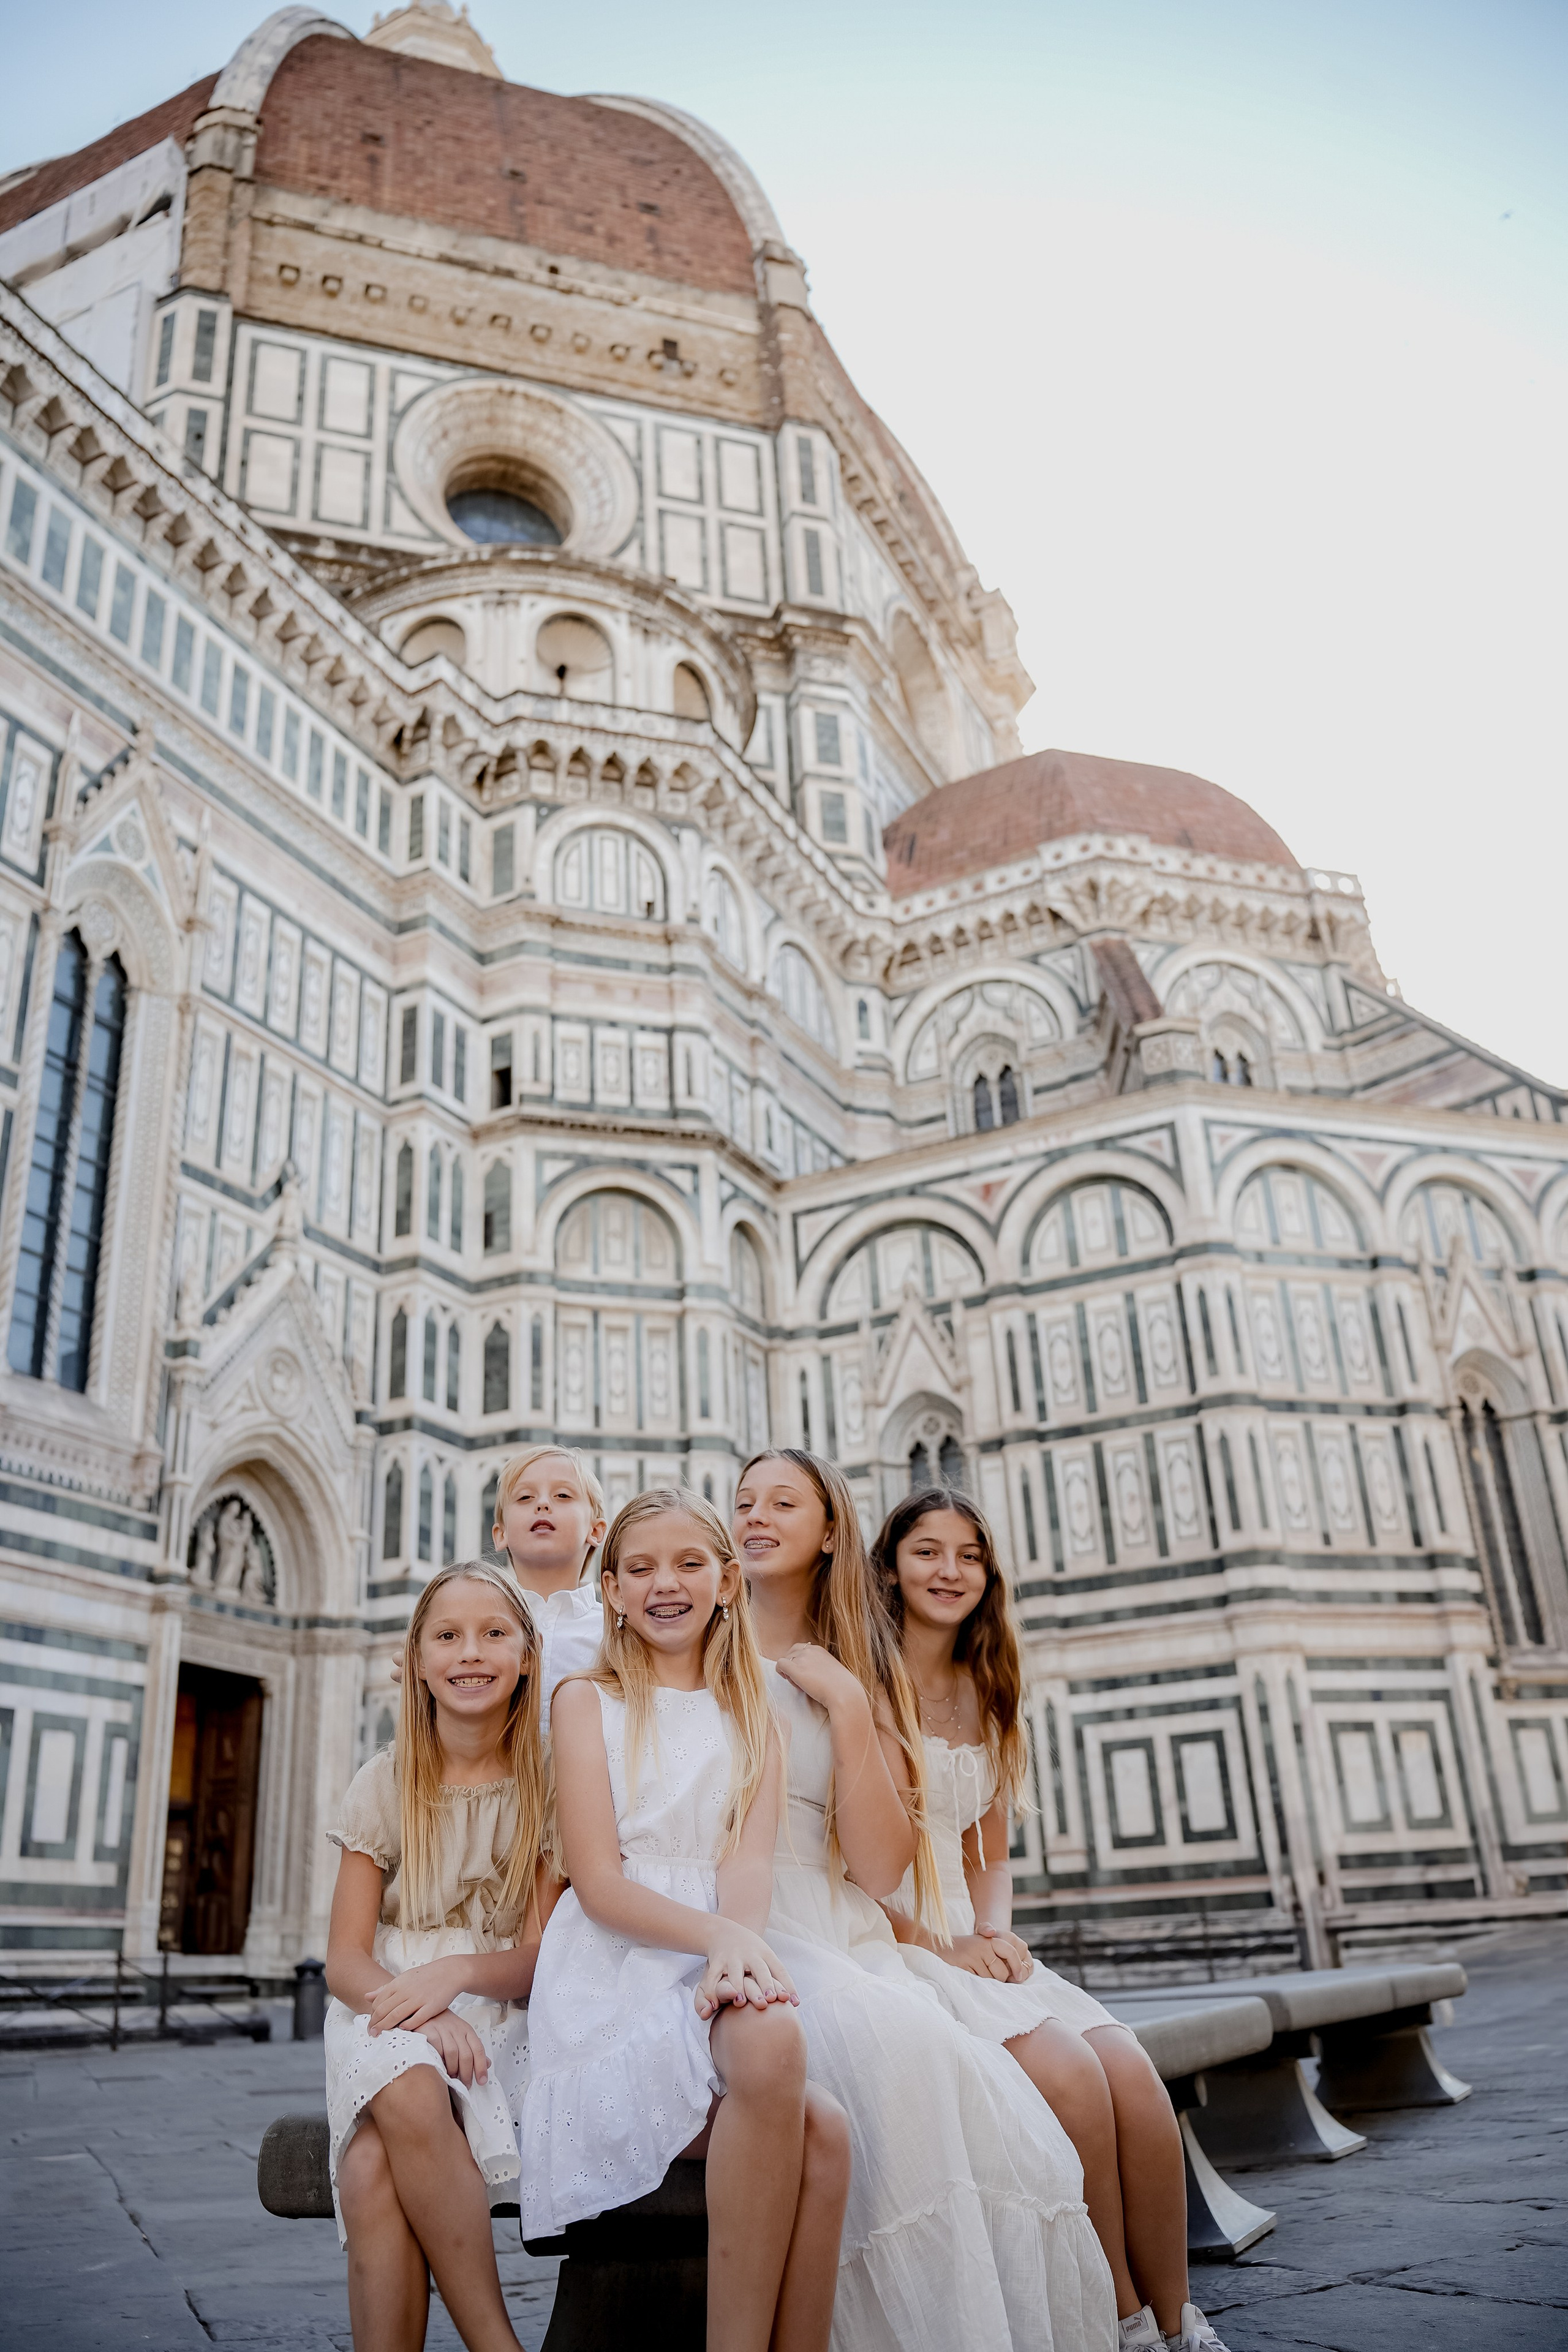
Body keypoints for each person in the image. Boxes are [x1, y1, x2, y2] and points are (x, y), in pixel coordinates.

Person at [733, 1447, 1118, 2352]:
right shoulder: (704, 1645)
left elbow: (895, 1862)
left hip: (854, 1920)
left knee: (1070, 2082)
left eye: (782, 1502)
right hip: (781, 1928)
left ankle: (1142, 2319)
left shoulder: (862, 1672)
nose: (755, 1517)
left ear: (833, 1531)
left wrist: (851, 1710)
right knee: (958, 2076)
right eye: (743, 1502)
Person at [873, 1486, 1234, 2352]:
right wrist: (943, 1946)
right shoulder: (865, 1686)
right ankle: (1121, 2315)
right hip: (897, 1939)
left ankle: (1180, 2321)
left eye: (969, 1556)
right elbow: (847, 1866)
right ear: (887, 1569)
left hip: (972, 1939)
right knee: (1074, 2076)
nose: (949, 1571)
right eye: (927, 1551)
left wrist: (993, 1932)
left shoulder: (989, 1686)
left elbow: (988, 1854)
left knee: (1133, 2076)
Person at [519, 1488, 851, 2352]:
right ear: (613, 1591)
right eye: (640, 1568)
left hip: (717, 1951)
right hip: (617, 1970)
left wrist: (735, 1947)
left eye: (689, 1564)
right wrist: (719, 1939)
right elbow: (598, 1883)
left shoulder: (757, 1713)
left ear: (728, 1581)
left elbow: (747, 1862)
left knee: (815, 2106)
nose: (665, 1584)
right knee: (811, 2114)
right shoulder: (585, 1702)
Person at [323, 1559, 559, 2352]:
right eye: (448, 1636)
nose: (471, 1653)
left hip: (499, 2013)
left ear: (526, 1656)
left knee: (369, 2169)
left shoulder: (549, 1782)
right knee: (405, 2078)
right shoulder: (385, 1781)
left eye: (494, 1634)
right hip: (383, 2005)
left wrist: (455, 1978)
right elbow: (346, 1960)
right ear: (418, 1661)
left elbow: (539, 1958)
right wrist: (422, 2014)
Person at [489, 1444, 608, 1727]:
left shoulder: (615, 1632)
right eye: (525, 1497)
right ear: (501, 1534)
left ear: (595, 1530)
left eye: (563, 1495)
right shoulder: (478, 1626)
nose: (542, 1504)